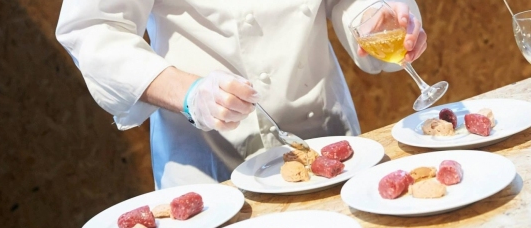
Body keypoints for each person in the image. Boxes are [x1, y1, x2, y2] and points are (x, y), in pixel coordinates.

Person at [56, 0, 427, 189]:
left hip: (327, 141)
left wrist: (371, 15)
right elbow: (93, 30)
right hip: (209, 158)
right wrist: (187, 91)